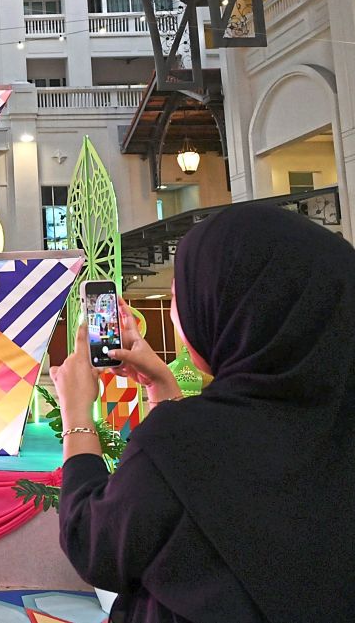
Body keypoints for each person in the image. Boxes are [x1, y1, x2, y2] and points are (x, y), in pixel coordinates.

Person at [50, 203, 355, 622]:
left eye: (182, 294)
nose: (177, 312)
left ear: (236, 309)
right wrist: (162, 384)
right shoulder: (328, 423)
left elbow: (94, 544)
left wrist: (76, 414)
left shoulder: (185, 439)